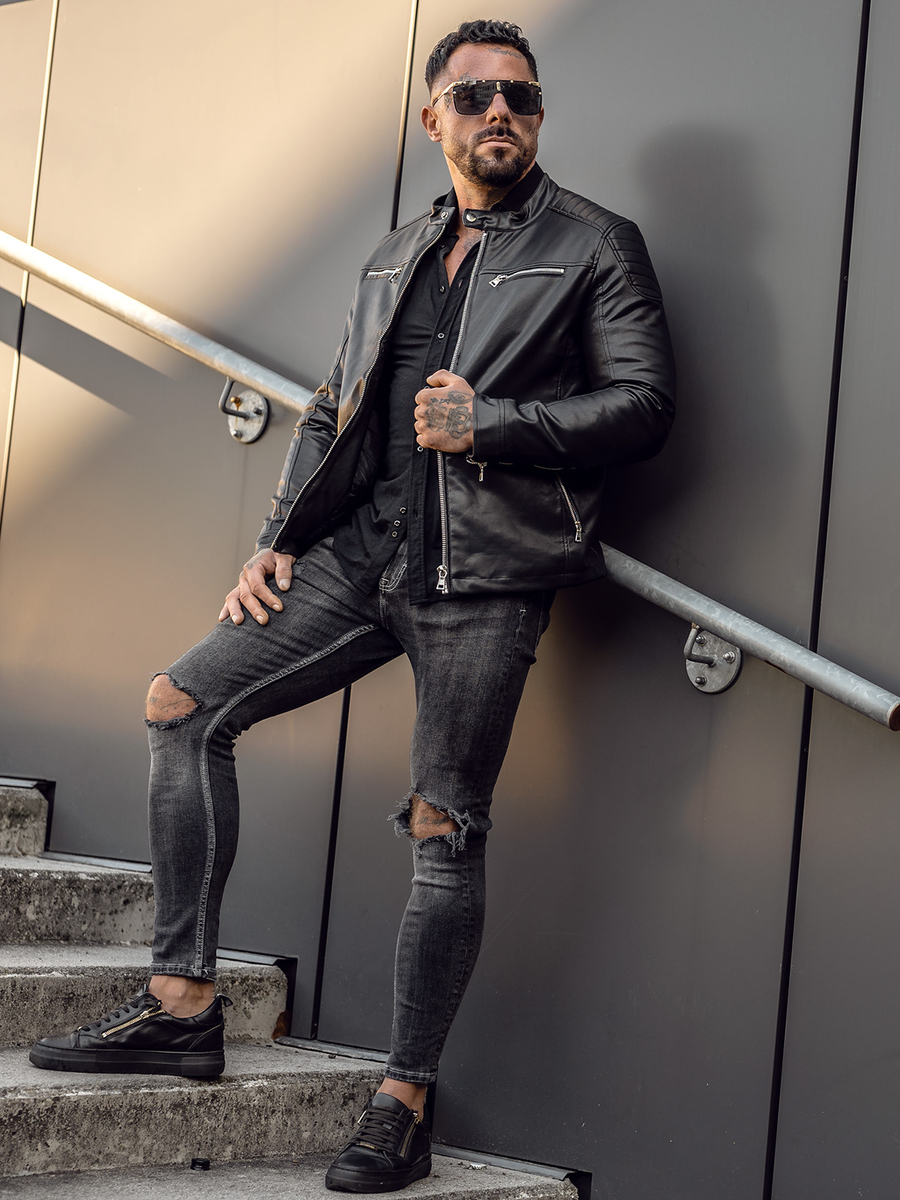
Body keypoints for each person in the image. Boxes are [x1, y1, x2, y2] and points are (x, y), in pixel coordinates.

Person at [29, 18, 675, 1193]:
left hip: (485, 577)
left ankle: (403, 1100)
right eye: (473, 95)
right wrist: (277, 540)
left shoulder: (593, 244)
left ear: (538, 115)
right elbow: (334, 410)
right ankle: (182, 1005)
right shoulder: (395, 254)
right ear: (432, 120)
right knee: (183, 705)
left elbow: (643, 405)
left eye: (521, 95)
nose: (500, 112)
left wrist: (494, 423)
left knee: (443, 825)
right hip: (359, 556)